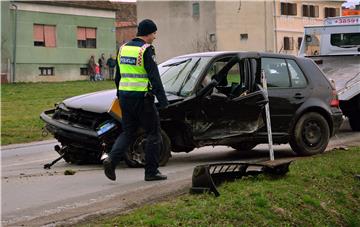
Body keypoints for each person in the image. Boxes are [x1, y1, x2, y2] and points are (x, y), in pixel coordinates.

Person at [103, 19, 169, 181]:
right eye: (154, 33)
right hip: (142, 99)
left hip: (125, 98)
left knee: (128, 132)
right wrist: (163, 100)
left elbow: (118, 76)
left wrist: (120, 94)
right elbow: (155, 77)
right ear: (148, 34)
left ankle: (111, 160)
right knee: (154, 134)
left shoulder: (123, 49)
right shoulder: (146, 50)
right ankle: (151, 172)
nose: (155, 37)